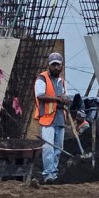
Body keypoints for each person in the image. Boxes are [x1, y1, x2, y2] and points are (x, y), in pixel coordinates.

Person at [34, 52, 71, 184]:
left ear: (61, 66)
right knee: (48, 148)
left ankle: (54, 174)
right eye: (53, 65)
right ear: (49, 65)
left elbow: (65, 96)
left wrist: (66, 100)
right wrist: (58, 99)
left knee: (58, 149)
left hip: (60, 119)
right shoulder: (42, 78)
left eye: (58, 65)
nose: (56, 67)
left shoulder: (61, 81)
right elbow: (40, 95)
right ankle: (47, 174)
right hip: (47, 119)